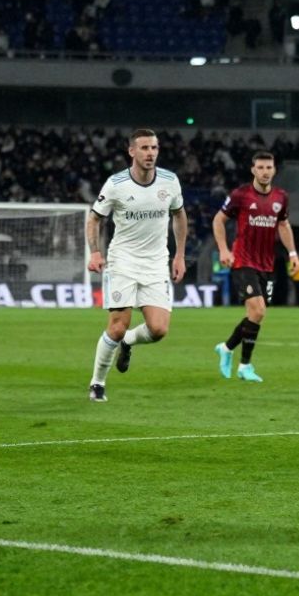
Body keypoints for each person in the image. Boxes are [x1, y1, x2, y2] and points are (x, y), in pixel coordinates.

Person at [85, 129, 187, 402]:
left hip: (156, 263)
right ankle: (97, 383)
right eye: (144, 148)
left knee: (159, 329)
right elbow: (94, 218)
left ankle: (129, 342)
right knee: (117, 326)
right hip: (123, 261)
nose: (150, 153)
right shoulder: (116, 184)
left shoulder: (170, 181)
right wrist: (95, 252)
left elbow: (179, 216)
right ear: (132, 151)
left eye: (154, 148)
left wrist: (179, 256)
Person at [213, 152, 299, 382]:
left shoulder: (281, 197)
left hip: (266, 264)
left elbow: (283, 224)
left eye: (268, 167)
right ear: (253, 170)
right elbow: (218, 220)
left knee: (255, 315)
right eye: (260, 167)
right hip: (242, 261)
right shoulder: (241, 195)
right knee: (258, 311)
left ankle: (227, 348)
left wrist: (292, 253)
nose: (264, 171)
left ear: (274, 170)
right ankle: (245, 366)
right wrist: (223, 249)